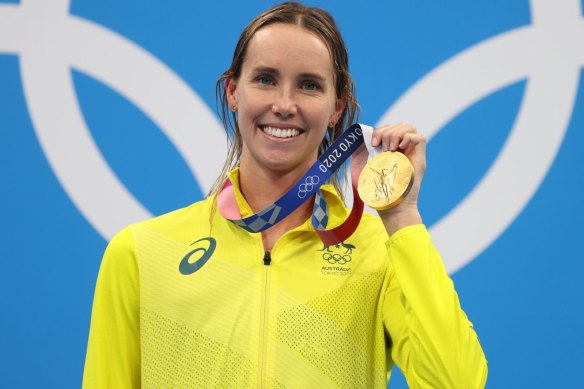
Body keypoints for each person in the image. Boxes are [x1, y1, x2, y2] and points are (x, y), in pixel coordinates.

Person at [83, 2, 487, 388]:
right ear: (232, 92)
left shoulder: (378, 251)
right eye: (265, 79)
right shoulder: (141, 253)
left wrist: (401, 217)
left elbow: (458, 383)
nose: (284, 104)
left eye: (309, 85)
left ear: (336, 107)